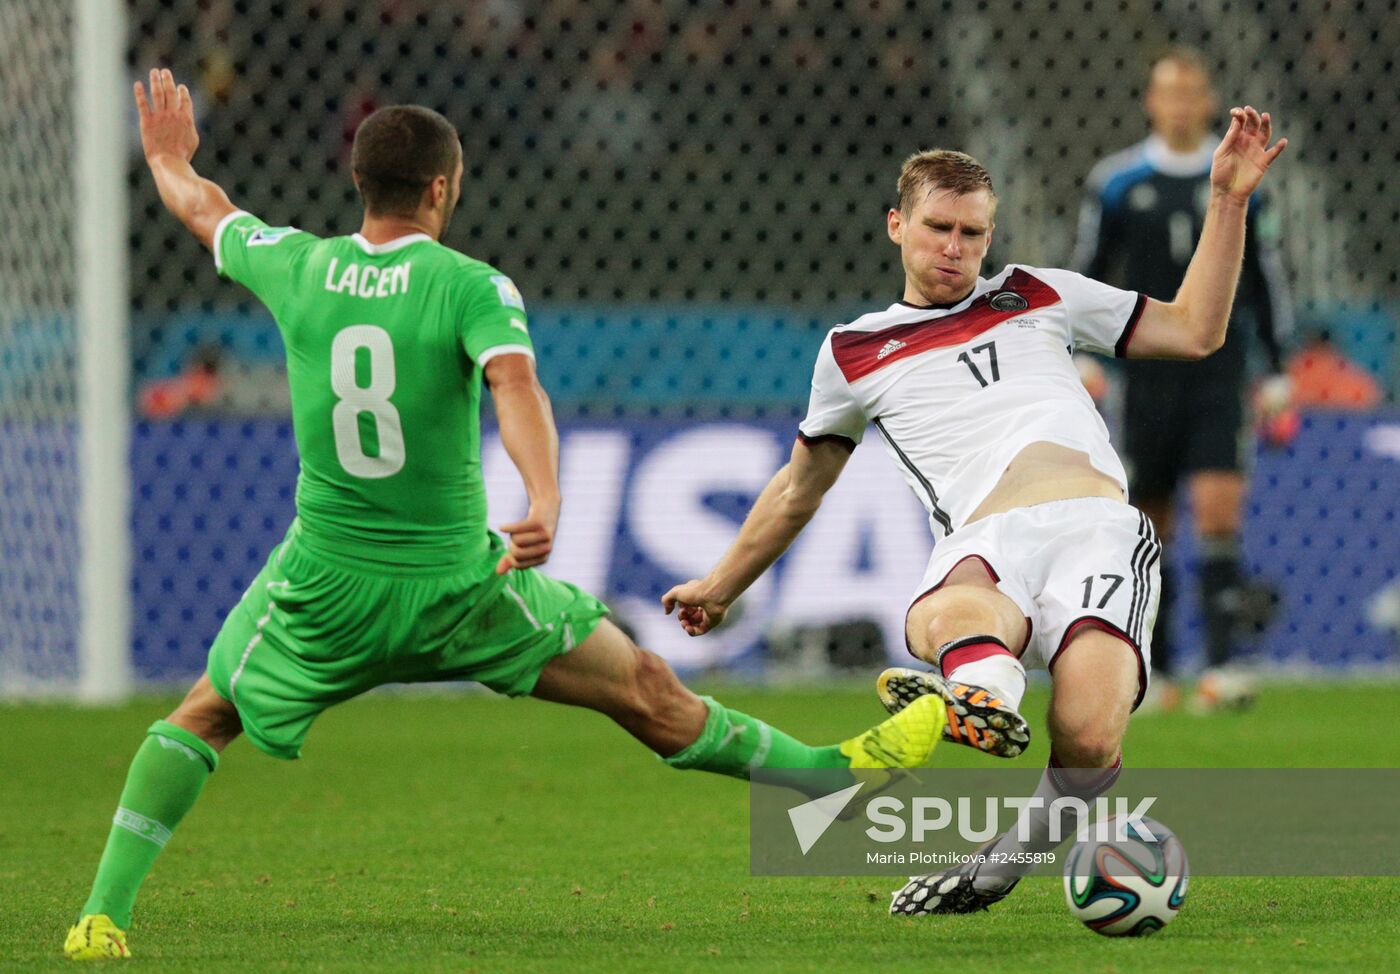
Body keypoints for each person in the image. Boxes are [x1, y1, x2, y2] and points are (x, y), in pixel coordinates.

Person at [63, 69, 945, 961]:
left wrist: (169, 156)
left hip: (321, 589)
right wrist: (547, 496)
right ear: (442, 187)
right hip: (461, 585)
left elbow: (203, 208)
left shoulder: (296, 263)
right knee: (644, 688)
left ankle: (101, 916)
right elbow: (514, 385)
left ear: (359, 183)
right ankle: (821, 778)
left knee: (202, 717)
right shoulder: (471, 286)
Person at [664, 107, 1286, 914]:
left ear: (990, 236)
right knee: (949, 610)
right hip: (983, 541)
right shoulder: (854, 351)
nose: (954, 248)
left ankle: (997, 854)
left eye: (972, 233)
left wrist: (1228, 202)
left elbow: (1196, 329)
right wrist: (719, 584)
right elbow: (797, 488)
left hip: (1095, 532)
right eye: (938, 228)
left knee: (1091, 739)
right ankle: (982, 699)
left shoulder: (1038, 293)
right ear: (897, 224)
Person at [1072, 49, 1294, 711]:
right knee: (1149, 522)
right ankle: (1158, 671)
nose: (1179, 104)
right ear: (1150, 101)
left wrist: (1278, 367)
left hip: (1221, 371)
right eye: (1168, 91)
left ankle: (1221, 669)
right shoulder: (1116, 182)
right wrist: (1085, 353)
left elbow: (1266, 278)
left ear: (1206, 102)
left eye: (1191, 92)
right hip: (1145, 375)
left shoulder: (1242, 176)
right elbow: (1090, 270)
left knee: (1221, 509)